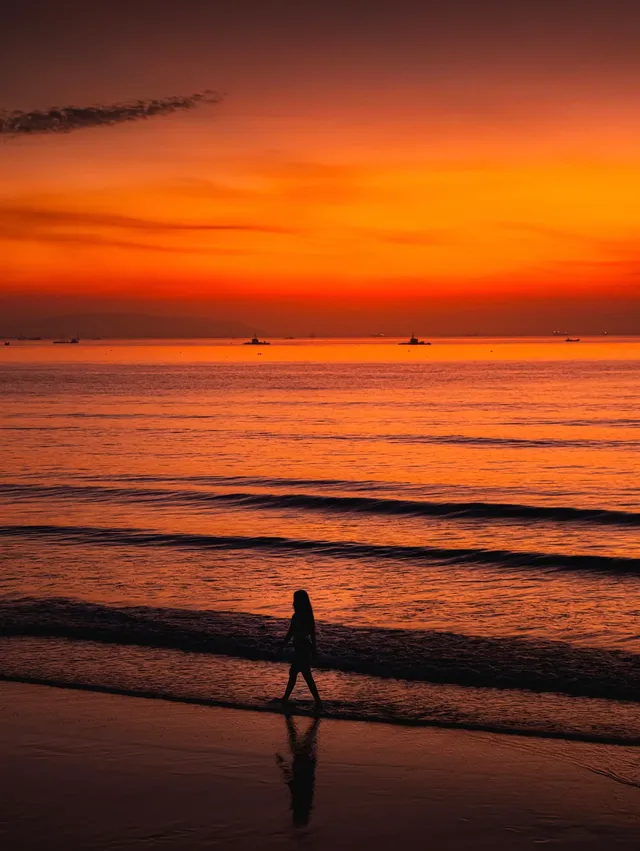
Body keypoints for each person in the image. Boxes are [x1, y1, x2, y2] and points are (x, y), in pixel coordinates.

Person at [279, 589, 323, 711]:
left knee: (300, 674)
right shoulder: (299, 616)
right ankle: (286, 698)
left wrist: (314, 650)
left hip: (303, 648)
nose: (293, 603)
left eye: (295, 600)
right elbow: (291, 632)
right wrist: (283, 645)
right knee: (297, 673)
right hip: (299, 648)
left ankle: (317, 702)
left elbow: (311, 634)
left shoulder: (305, 616)